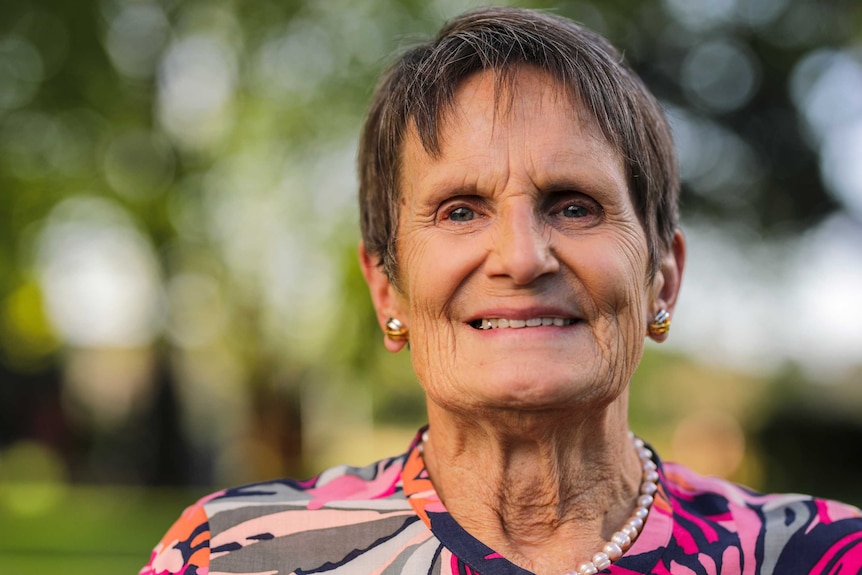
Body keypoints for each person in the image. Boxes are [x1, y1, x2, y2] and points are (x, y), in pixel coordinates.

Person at [140, 7, 862, 575]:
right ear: (387, 289)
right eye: (460, 210)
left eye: (574, 205)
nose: (521, 258)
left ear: (662, 276)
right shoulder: (234, 555)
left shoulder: (825, 555)